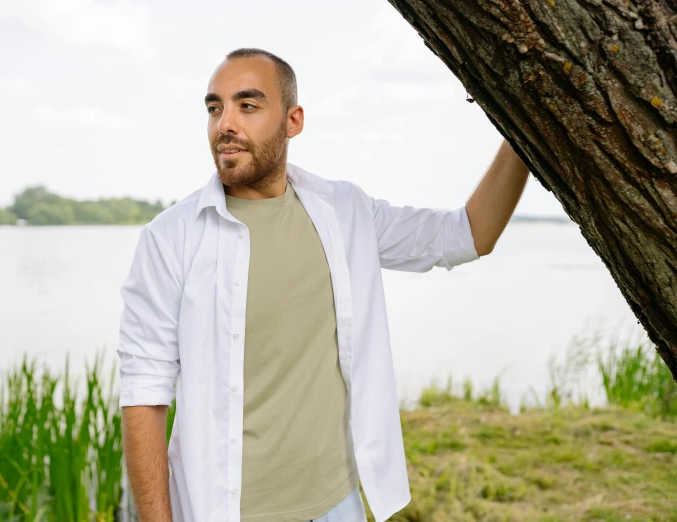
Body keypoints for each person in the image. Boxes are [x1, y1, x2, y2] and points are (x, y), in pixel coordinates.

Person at [117, 48, 530, 522]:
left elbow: (470, 234)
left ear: (293, 121)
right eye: (215, 108)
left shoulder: (344, 211)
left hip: (339, 504)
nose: (224, 124)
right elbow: (143, 397)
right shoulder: (170, 238)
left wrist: (523, 127)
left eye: (247, 106)